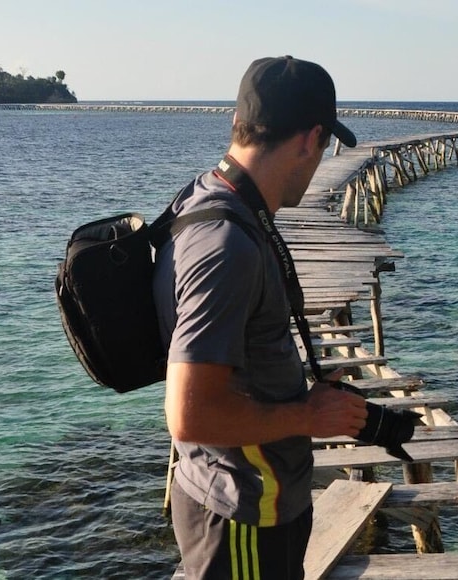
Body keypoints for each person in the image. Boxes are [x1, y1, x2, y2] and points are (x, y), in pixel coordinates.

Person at [153, 55, 368, 580]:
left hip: (237, 500)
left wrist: (300, 396)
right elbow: (190, 414)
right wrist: (308, 417)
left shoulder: (208, 197)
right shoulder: (227, 245)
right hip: (242, 515)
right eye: (326, 146)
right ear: (310, 138)